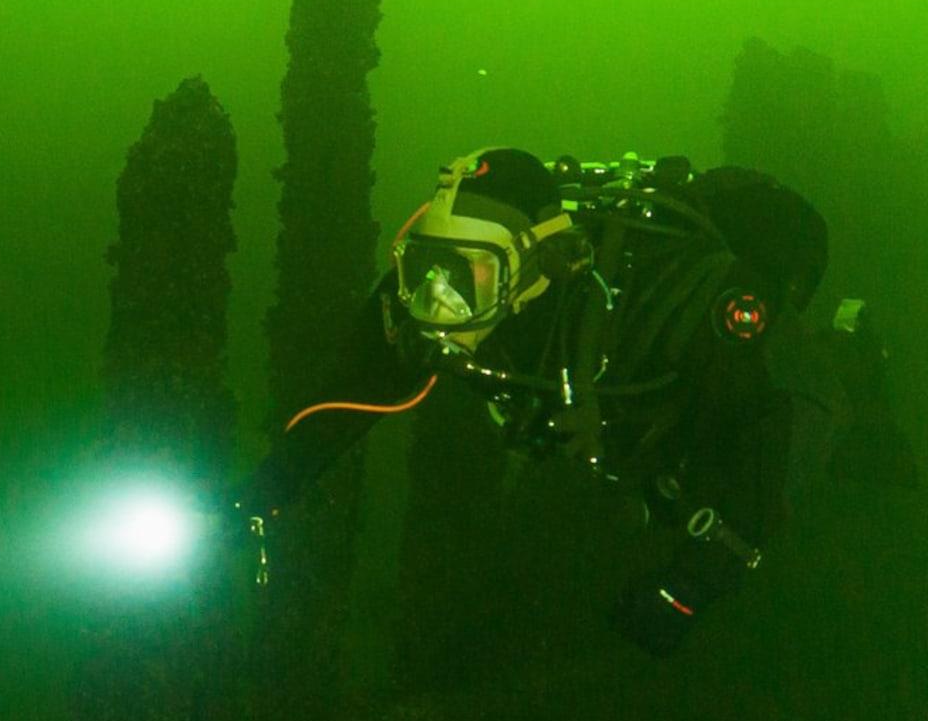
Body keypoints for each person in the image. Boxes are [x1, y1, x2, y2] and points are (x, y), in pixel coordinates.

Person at [233, 146, 846, 658]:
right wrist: (266, 491)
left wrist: (692, 584)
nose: (436, 300)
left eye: (464, 272)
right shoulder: (427, 300)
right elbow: (355, 385)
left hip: (696, 415)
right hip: (609, 436)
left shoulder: (685, 294)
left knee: (732, 441)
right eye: (426, 267)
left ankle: (857, 343)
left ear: (538, 266)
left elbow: (803, 405)